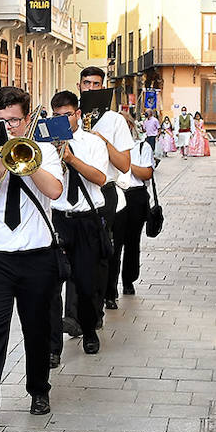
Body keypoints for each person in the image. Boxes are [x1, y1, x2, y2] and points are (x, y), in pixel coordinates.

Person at [0, 86, 65, 432]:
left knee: (37, 329)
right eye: (2, 121)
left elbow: (54, 191)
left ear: (27, 120)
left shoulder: (44, 151)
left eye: (15, 121)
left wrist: (26, 160)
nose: (9, 128)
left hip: (37, 257)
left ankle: (39, 389)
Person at [47, 91, 111, 363]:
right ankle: (52, 347)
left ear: (78, 115)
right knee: (50, 287)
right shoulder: (45, 144)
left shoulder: (92, 143)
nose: (62, 120)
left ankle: (89, 331)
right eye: (56, 116)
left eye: (67, 115)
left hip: (85, 219)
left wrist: (71, 158)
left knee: (86, 283)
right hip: (58, 218)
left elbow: (100, 178)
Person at [78, 67, 137, 313]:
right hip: (76, 190)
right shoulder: (72, 115)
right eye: (86, 83)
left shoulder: (114, 120)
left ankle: (104, 297)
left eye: (96, 84)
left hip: (106, 190)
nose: (91, 88)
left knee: (104, 248)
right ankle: (79, 308)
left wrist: (101, 139)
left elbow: (124, 165)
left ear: (103, 87)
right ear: (79, 85)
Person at [112, 117, 156, 298]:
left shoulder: (142, 146)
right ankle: (111, 287)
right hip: (116, 195)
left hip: (136, 196)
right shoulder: (108, 148)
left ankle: (129, 280)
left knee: (132, 242)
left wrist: (124, 162)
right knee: (114, 244)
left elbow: (146, 173)